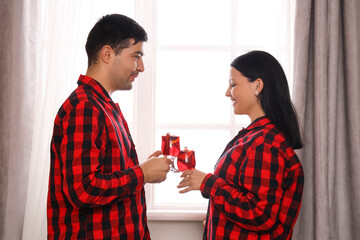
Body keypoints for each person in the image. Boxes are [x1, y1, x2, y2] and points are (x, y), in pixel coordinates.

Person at [47, 14, 172, 239]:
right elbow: (82, 190)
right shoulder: (85, 107)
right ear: (107, 54)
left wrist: (142, 170)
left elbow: (104, 175)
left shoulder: (103, 106)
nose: (141, 67)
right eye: (136, 56)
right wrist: (142, 173)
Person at [178, 51, 304, 240]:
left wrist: (208, 182)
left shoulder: (264, 143)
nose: (227, 92)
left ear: (258, 85)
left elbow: (260, 215)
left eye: (234, 84)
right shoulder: (254, 136)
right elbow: (241, 194)